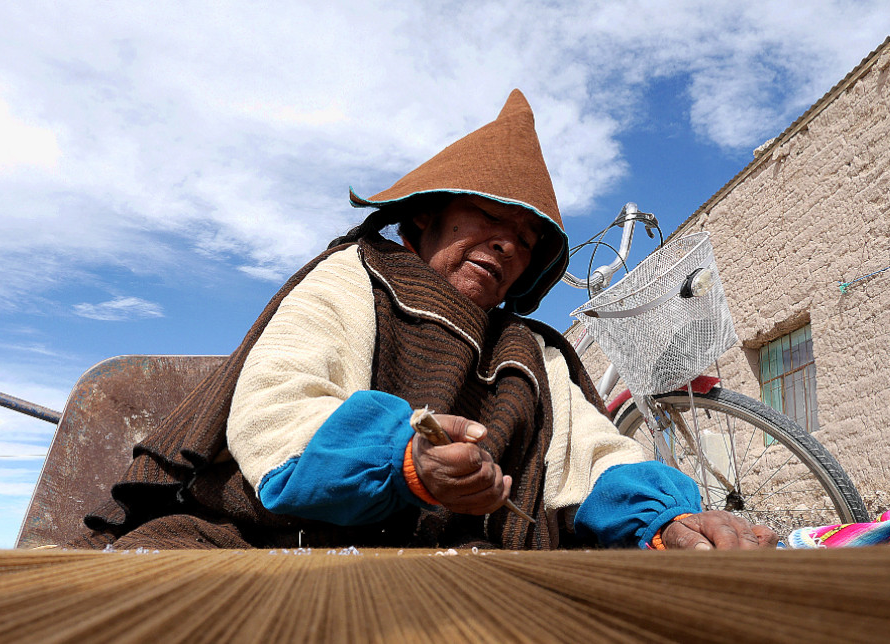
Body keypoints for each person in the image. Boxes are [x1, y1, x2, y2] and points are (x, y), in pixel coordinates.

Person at [67, 90, 776, 552]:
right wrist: (405, 462)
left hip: (455, 569)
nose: (508, 244)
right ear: (421, 223)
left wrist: (665, 524)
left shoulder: (530, 353)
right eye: (489, 220)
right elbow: (278, 412)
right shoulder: (354, 278)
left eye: (525, 241)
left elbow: (597, 460)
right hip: (266, 542)